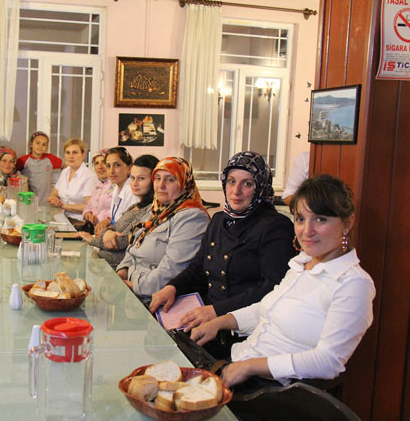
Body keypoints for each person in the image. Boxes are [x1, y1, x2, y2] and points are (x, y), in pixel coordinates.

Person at [189, 174, 375, 389]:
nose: (307, 231)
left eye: (320, 219)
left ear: (347, 223)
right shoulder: (302, 263)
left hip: (268, 388)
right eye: (300, 219)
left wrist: (250, 367)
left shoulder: (352, 284)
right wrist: (219, 322)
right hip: (236, 360)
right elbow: (265, 309)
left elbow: (328, 361)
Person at [149, 151, 296, 337]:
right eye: (232, 181)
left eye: (247, 184)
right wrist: (172, 288)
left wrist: (216, 311)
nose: (236, 191)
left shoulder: (276, 226)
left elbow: (271, 287)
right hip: (208, 312)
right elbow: (198, 268)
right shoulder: (219, 220)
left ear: (260, 187)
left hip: (242, 327)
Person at [116, 157, 210, 298]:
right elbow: (134, 246)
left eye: (170, 180)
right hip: (131, 288)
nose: (161, 185)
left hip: (155, 297)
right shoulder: (156, 210)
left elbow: (173, 270)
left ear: (184, 183)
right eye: (157, 178)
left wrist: (134, 287)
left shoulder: (193, 217)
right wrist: (121, 272)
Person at [80, 154, 159, 268]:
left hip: (115, 267)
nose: (135, 183)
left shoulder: (149, 210)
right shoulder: (135, 206)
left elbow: (122, 241)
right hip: (104, 260)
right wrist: (108, 232)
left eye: (141, 178)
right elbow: (114, 227)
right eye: (132, 178)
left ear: (154, 180)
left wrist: (92, 240)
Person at [47, 138, 97, 222]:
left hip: (80, 222)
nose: (71, 156)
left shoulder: (89, 176)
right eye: (68, 152)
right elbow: (55, 193)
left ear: (83, 155)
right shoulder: (65, 172)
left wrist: (62, 205)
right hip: (62, 218)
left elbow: (89, 207)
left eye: (75, 152)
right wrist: (53, 199)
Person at [16, 131, 63, 203]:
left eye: (44, 144)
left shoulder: (51, 158)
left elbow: (66, 167)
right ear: (31, 144)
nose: (40, 146)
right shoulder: (23, 160)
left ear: (47, 147)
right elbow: (12, 172)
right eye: (37, 143)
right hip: (29, 201)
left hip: (47, 201)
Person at [102, 147, 139, 236]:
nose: (111, 171)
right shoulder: (116, 188)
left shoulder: (133, 192)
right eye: (108, 166)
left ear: (129, 168)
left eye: (117, 165)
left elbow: (132, 229)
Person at [81, 149, 114, 234]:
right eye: (96, 163)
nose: (100, 166)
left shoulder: (117, 185)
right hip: (95, 231)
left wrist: (108, 220)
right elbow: (88, 206)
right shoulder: (98, 185)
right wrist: (88, 214)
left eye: (103, 162)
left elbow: (121, 212)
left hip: (110, 231)